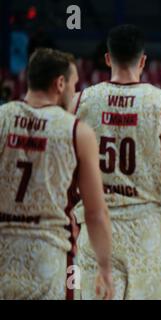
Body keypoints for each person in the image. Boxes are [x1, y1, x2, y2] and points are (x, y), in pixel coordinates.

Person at [70, 24, 161, 300]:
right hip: (146, 231)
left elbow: (66, 173)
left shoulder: (80, 101)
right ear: (143, 60)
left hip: (95, 225)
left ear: (107, 58)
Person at [0, 48, 113, 300]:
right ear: (60, 83)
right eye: (73, 84)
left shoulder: (2, 118)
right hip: (47, 253)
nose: (74, 91)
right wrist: (104, 268)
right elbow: (95, 212)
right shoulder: (76, 131)